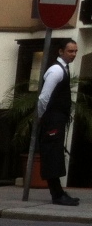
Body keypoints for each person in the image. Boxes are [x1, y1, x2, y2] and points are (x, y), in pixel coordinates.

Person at [36, 37, 79, 206]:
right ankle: (57, 195)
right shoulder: (56, 70)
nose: (73, 54)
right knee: (52, 155)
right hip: (52, 119)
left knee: (55, 155)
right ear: (61, 52)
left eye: (75, 51)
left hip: (57, 119)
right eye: (70, 51)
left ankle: (59, 192)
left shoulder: (64, 69)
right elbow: (44, 97)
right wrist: (41, 116)